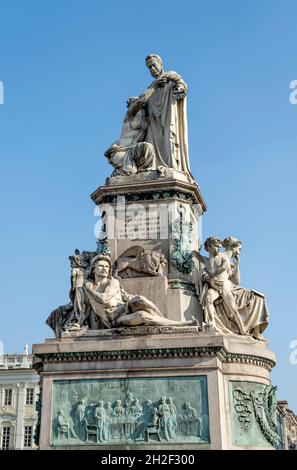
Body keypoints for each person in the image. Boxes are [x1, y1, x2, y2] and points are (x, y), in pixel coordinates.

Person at [83, 254, 198, 329]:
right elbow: (85, 308)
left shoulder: (112, 282)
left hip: (124, 308)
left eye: (107, 267)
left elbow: (104, 299)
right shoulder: (87, 285)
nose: (104, 268)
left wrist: (89, 290)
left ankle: (165, 320)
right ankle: (180, 325)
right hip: (115, 320)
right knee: (142, 315)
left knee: (140, 300)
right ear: (93, 269)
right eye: (101, 266)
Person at [128, 54, 193, 179]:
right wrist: (135, 100)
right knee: (152, 142)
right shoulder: (152, 87)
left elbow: (181, 83)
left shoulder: (170, 76)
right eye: (149, 67)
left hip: (168, 115)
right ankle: (153, 167)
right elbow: (143, 101)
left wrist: (180, 88)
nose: (152, 68)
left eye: (153, 65)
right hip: (154, 121)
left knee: (169, 140)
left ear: (160, 64)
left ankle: (171, 166)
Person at [194, 237, 246, 335]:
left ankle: (242, 330)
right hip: (214, 288)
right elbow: (198, 256)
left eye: (219, 247)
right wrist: (192, 251)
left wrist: (211, 276)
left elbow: (223, 268)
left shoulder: (223, 257)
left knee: (233, 309)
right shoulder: (206, 260)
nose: (219, 249)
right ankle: (211, 324)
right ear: (209, 247)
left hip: (224, 286)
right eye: (217, 247)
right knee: (208, 298)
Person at [105, 95, 155, 176]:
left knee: (148, 147)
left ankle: (142, 170)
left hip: (135, 149)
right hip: (122, 151)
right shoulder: (129, 115)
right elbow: (140, 102)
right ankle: (118, 172)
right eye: (134, 103)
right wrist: (154, 88)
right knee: (129, 173)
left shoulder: (146, 117)